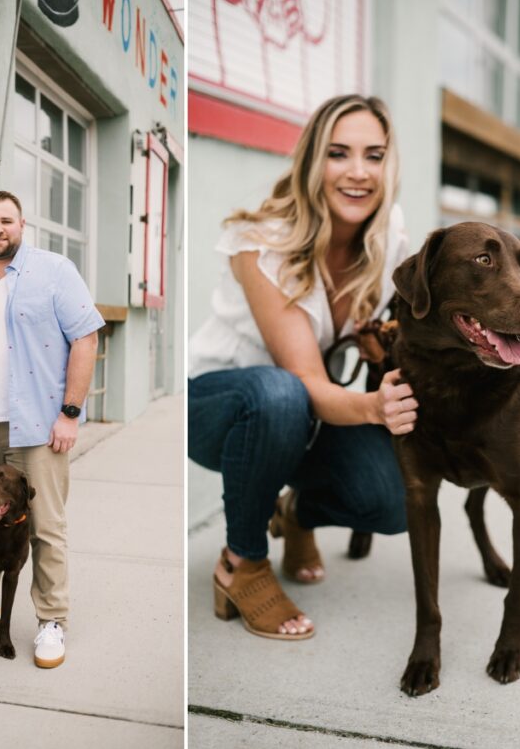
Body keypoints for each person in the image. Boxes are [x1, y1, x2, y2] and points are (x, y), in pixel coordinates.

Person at [188, 94, 417, 640]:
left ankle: (297, 515)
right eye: (339, 154)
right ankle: (242, 561)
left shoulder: (389, 234)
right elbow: (307, 381)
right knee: (279, 393)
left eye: (374, 155)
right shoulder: (263, 241)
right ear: (314, 159)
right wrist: (372, 407)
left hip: (306, 413)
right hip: (221, 408)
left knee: (392, 499)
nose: (358, 172)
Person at [0, 190, 103, 669]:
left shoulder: (55, 271)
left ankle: (52, 619)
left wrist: (69, 412)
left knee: (44, 525)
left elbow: (86, 339)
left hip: (40, 425)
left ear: (22, 225)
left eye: (6, 220)